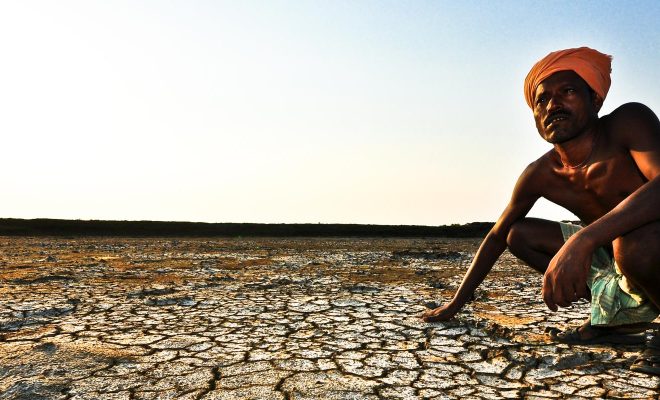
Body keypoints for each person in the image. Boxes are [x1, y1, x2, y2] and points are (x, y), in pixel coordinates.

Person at [421, 47, 660, 376]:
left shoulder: (628, 123)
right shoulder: (541, 174)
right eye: (542, 99)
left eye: (569, 91)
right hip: (620, 263)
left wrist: (583, 240)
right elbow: (496, 236)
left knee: (630, 243)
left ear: (596, 100)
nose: (553, 105)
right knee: (518, 234)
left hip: (648, 246)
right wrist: (455, 303)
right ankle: (616, 319)